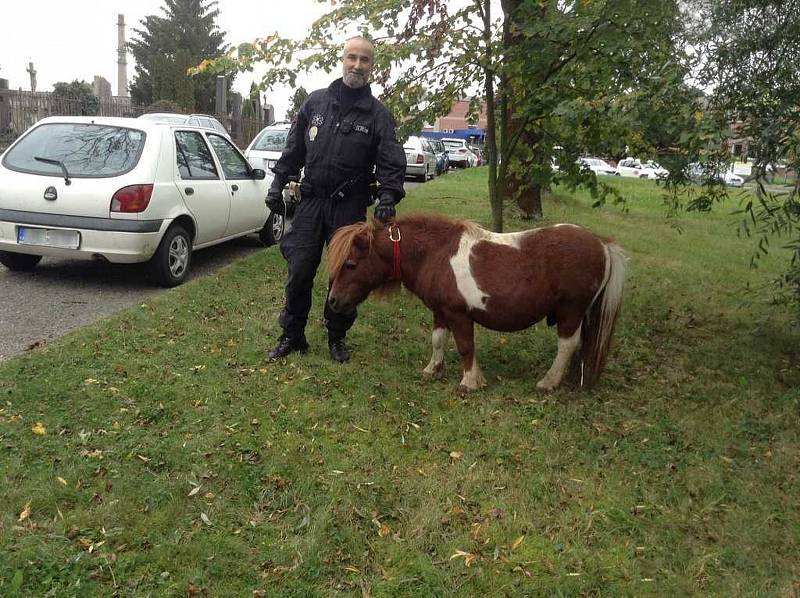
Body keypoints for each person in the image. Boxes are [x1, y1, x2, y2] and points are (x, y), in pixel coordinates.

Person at [265, 36, 406, 363]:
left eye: (364, 60)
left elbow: (390, 160)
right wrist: (278, 183)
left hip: (349, 206)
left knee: (345, 274)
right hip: (311, 202)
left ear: (372, 67)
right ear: (342, 60)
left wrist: (388, 195)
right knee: (299, 270)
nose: (357, 65)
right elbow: (294, 150)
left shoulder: (377, 115)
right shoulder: (315, 103)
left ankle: (337, 337)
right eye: (352, 58)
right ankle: (292, 335)